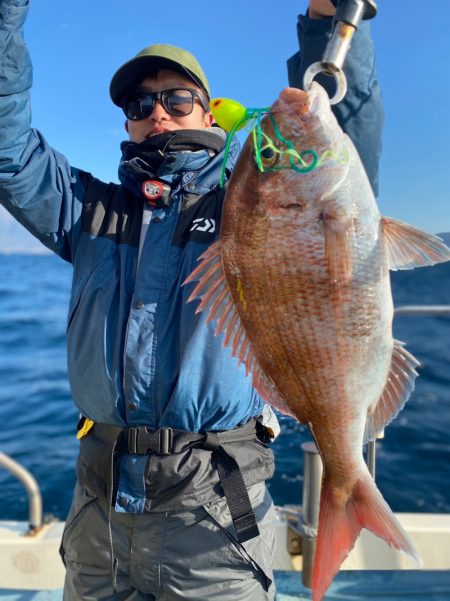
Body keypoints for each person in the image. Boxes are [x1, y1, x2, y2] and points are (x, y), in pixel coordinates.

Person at [0, 0, 383, 599]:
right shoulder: (91, 213)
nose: (158, 113)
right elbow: (9, 150)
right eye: (139, 105)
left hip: (214, 524)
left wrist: (324, 29)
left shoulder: (245, 205)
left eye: (177, 98)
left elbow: (337, 149)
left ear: (208, 110)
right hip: (97, 517)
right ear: (126, 124)